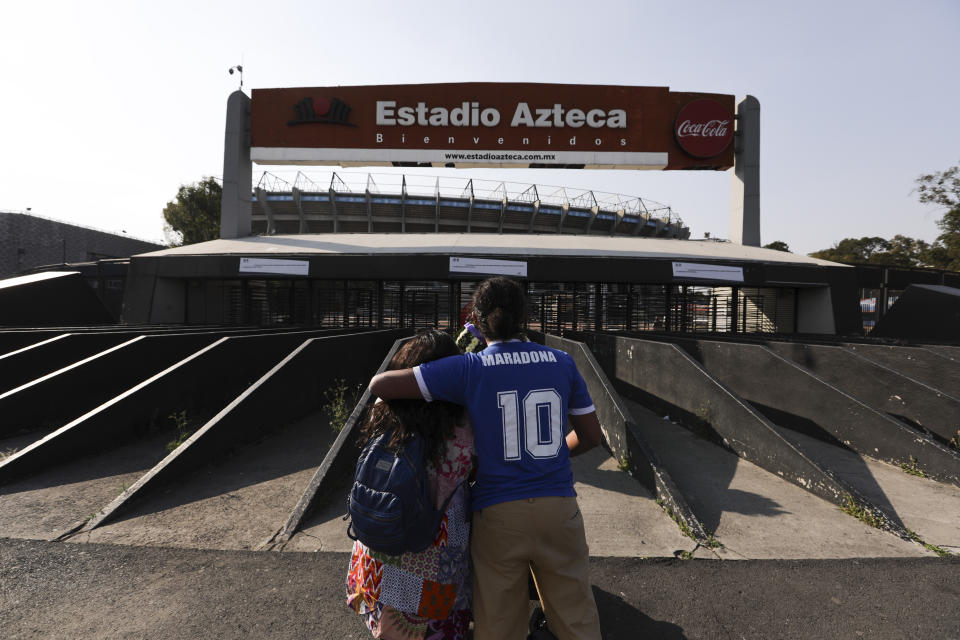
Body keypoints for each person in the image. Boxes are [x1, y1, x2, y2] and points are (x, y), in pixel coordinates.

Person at [370, 277, 603, 640]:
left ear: (476, 321)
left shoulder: (470, 368)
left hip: (498, 514)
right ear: (525, 316)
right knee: (576, 615)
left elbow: (380, 384)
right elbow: (592, 436)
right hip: (559, 505)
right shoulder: (563, 362)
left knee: (498, 623)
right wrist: (556, 455)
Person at [346, 330, 474, 640]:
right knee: (434, 620)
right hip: (436, 550)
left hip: (383, 539)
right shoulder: (464, 424)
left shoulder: (384, 407)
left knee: (392, 625)